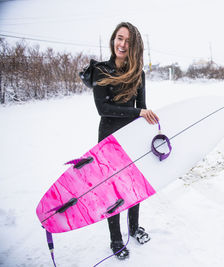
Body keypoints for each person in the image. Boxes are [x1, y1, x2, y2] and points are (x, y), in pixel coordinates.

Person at [91, 22, 159, 260]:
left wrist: (147, 119)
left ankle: (133, 227)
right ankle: (116, 239)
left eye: (128, 41)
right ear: (113, 40)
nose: (122, 44)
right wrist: (138, 113)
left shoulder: (138, 73)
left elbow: (141, 108)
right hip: (109, 138)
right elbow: (103, 109)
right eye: (119, 38)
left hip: (132, 137)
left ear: (134, 46)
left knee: (133, 186)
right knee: (113, 190)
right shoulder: (100, 71)